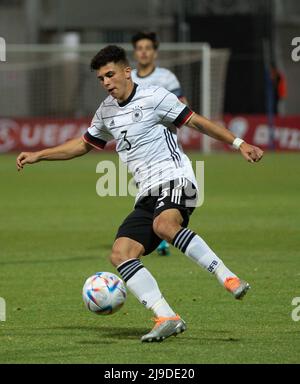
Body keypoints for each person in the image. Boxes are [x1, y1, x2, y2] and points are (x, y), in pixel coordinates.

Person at [16, 45, 264, 343]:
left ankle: (227, 276)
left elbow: (196, 121)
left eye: (110, 75)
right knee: (121, 254)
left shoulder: (155, 96)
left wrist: (239, 143)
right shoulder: (106, 112)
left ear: (126, 71)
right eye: (100, 78)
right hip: (147, 194)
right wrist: (39, 155)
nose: (106, 82)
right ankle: (166, 316)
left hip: (178, 179)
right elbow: (82, 145)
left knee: (165, 226)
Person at [131, 31, 188, 255]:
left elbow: (181, 105)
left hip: (163, 145)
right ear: (135, 53)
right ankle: (158, 232)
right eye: (140, 48)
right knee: (145, 189)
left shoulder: (167, 78)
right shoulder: (129, 79)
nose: (144, 51)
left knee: (164, 186)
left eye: (148, 48)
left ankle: (164, 234)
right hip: (138, 147)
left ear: (154, 52)